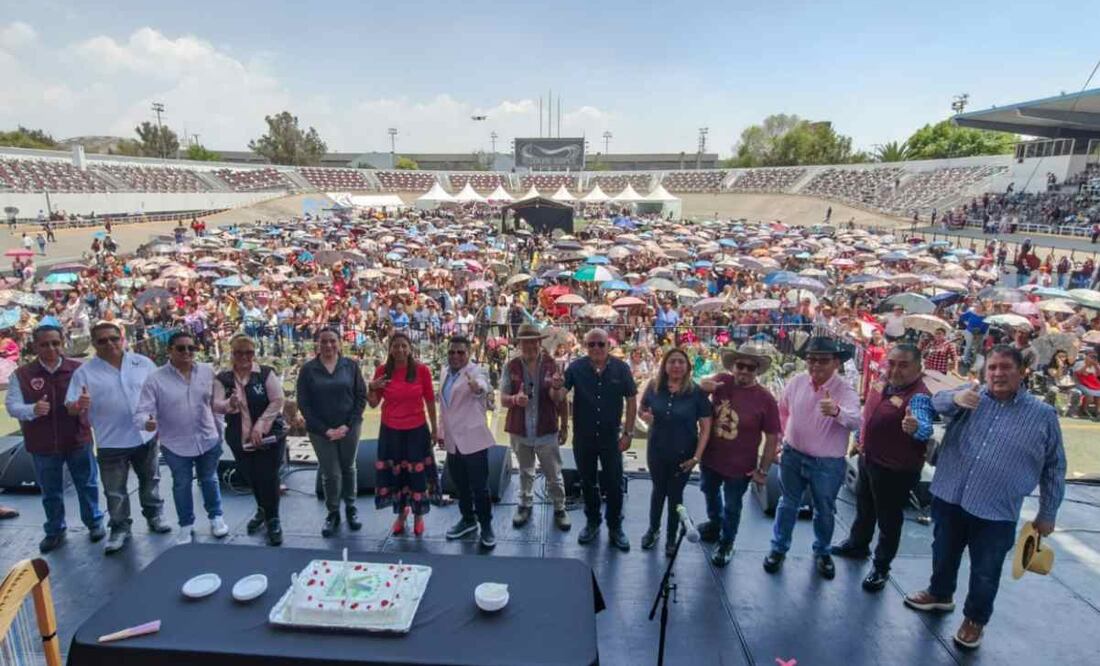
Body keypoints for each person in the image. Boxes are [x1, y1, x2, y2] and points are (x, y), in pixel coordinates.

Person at [904, 345, 1066, 650]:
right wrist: (954, 397)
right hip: (950, 494)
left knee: (986, 571)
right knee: (943, 552)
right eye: (992, 367)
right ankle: (939, 594)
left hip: (996, 510)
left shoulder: (1042, 415)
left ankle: (975, 620)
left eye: (1005, 367)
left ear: (1022, 372)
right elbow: (930, 402)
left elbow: (1055, 466)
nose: (997, 373)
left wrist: (1048, 512)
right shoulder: (971, 395)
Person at [832, 343, 934, 591]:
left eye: (904, 365)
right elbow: (868, 413)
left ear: (918, 368)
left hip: (896, 468)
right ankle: (858, 544)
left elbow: (924, 426)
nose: (895, 369)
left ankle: (881, 567)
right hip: (870, 458)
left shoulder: (919, 396)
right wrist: (860, 438)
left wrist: (916, 428)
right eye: (892, 363)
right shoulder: (881, 381)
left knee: (889, 520)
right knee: (864, 505)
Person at [64, 321, 169, 554]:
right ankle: (120, 528)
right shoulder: (85, 372)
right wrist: (78, 405)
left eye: (113, 338)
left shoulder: (142, 363)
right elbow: (70, 407)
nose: (109, 343)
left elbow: (159, 394)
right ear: (94, 344)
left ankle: (155, 516)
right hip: (111, 441)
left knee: (151, 480)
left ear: (122, 338)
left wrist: (157, 418)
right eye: (102, 340)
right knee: (115, 490)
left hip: (145, 436)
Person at [764, 336, 860, 579]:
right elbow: (782, 411)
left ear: (836, 362)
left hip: (827, 464)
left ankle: (823, 552)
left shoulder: (845, 390)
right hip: (793, 455)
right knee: (787, 504)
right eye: (811, 360)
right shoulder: (796, 382)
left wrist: (837, 412)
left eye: (822, 360)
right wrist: (782, 438)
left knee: (824, 510)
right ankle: (778, 548)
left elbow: (856, 421)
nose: (815, 365)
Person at [5, 325, 104, 553]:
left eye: (55, 343)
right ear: (35, 346)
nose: (51, 348)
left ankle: (94, 522)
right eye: (45, 344)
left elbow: (96, 398)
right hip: (42, 443)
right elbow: (12, 406)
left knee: (87, 484)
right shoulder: (22, 374)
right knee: (50, 490)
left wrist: (85, 404)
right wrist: (32, 409)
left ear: (62, 343)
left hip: (77, 438)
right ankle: (55, 530)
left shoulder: (79, 369)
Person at [136, 330, 227, 544]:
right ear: (170, 351)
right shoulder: (155, 379)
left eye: (191, 348)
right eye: (181, 348)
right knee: (181, 484)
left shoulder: (207, 371)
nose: (187, 352)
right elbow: (142, 411)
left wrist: (220, 431)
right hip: (175, 443)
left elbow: (215, 404)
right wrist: (146, 423)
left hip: (208, 438)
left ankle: (216, 517)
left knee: (209, 479)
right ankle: (186, 525)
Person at [697, 343, 780, 566]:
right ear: (733, 365)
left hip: (740, 465)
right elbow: (698, 395)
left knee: (733, 505)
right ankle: (715, 524)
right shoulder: (721, 381)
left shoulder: (766, 399)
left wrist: (763, 470)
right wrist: (702, 388)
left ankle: (727, 542)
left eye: (749, 367)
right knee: (708, 491)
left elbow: (772, 437)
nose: (743, 371)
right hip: (711, 457)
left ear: (756, 370)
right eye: (740, 365)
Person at [563, 328, 638, 552]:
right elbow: (559, 396)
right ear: (586, 347)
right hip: (583, 436)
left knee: (614, 484)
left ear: (609, 346)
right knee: (587, 482)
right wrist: (556, 387)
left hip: (610, 438)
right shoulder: (575, 368)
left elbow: (632, 401)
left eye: (600, 344)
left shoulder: (621, 369)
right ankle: (592, 522)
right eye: (591, 344)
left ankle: (615, 527)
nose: (596, 348)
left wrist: (628, 433)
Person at [638, 348, 713, 557]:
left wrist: (696, 457)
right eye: (672, 361)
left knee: (675, 496)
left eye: (681, 362)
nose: (677, 366)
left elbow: (706, 428)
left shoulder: (696, 392)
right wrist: (645, 416)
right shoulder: (654, 387)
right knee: (658, 491)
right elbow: (642, 409)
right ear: (665, 365)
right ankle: (653, 530)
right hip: (657, 450)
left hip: (684, 454)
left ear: (688, 367)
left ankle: (671, 537)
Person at [215, 335, 287, 546]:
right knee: (251, 477)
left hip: (269, 435)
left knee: (269, 476)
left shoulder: (265, 373)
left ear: (254, 353)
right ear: (232, 354)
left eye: (249, 352)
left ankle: (273, 519)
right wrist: (230, 403)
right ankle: (262, 510)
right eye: (239, 352)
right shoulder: (223, 378)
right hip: (239, 438)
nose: (244, 356)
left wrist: (260, 426)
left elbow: (277, 400)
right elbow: (215, 404)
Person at [296, 327, 368, 537]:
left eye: (332, 341)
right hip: (320, 432)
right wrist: (325, 429)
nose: (328, 345)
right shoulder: (308, 370)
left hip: (349, 428)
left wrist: (348, 425)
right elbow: (304, 403)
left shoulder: (350, 366)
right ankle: (333, 512)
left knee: (349, 468)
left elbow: (360, 396)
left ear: (339, 343)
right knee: (331, 474)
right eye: (324, 341)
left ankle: (351, 509)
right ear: (317, 344)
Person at [368, 331, 439, 537]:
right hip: (391, 431)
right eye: (396, 346)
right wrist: (371, 387)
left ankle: (418, 516)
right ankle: (401, 514)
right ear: (390, 349)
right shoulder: (382, 371)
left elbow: (430, 401)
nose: (400, 349)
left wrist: (435, 429)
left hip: (416, 430)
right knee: (396, 474)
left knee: (416, 475)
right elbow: (373, 403)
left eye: (403, 346)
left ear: (409, 348)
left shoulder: (421, 370)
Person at [501, 323, 570, 531]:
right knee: (524, 471)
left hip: (546, 428)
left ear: (539, 343)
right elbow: (502, 399)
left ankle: (560, 508)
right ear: (520, 344)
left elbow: (560, 399)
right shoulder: (510, 366)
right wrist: (515, 399)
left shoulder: (552, 365)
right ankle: (524, 504)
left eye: (533, 341)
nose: (530, 345)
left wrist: (558, 389)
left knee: (554, 474)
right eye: (526, 342)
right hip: (520, 430)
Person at [437, 335, 497, 549]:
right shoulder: (444, 372)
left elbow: (483, 387)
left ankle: (487, 526)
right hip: (453, 442)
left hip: (473, 441)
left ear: (468, 354)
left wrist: (478, 387)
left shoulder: (476, 372)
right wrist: (440, 432)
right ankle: (468, 520)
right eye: (452, 352)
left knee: (480, 488)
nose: (455, 356)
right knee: (460, 485)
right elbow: (444, 407)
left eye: (460, 352)